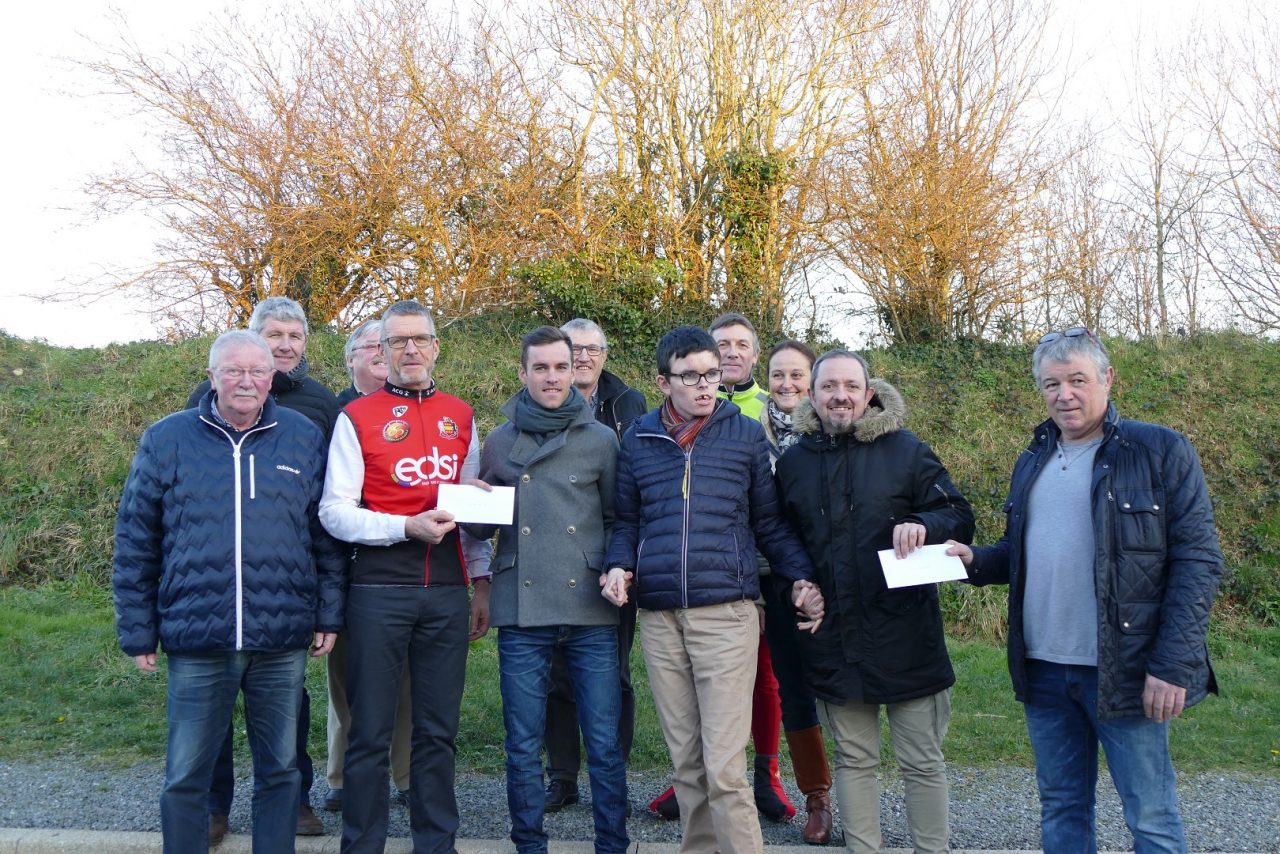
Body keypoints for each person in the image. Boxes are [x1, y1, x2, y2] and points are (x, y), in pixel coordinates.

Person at [947, 327, 1223, 854]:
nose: (1064, 394)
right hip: (1045, 670)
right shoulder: (1033, 458)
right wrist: (977, 561)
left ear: (1107, 378)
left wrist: (1171, 664)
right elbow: (1021, 549)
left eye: (1077, 379)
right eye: (1051, 384)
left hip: (1126, 669)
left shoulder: (1160, 450)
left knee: (1152, 817)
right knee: (1062, 808)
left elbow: (1199, 561)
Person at [113, 329, 345, 853]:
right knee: (186, 773)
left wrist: (328, 614)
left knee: (281, 770)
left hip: (280, 635)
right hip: (198, 635)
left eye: (257, 371)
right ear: (212, 375)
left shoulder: (302, 435)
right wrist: (138, 630)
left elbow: (324, 536)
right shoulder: (166, 438)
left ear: (272, 377)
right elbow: (135, 540)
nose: (246, 381)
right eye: (233, 370)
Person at [601, 325, 824, 854]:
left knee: (724, 769)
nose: (706, 385)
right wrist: (615, 565)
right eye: (691, 376)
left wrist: (801, 577)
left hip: (727, 614)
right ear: (663, 381)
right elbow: (626, 522)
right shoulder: (638, 438)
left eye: (712, 374)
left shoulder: (744, 435)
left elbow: (768, 523)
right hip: (660, 618)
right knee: (688, 767)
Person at [775, 349, 975, 854]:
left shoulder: (906, 450)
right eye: (828, 387)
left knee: (921, 760)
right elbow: (782, 540)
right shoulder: (794, 463)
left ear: (869, 394)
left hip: (907, 635)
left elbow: (956, 513)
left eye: (850, 386)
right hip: (836, 638)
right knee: (854, 759)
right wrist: (798, 581)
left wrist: (926, 524)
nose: (839, 395)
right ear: (813, 396)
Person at [318, 299, 492, 853]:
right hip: (377, 591)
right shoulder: (357, 416)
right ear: (382, 351)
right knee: (369, 732)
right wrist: (402, 528)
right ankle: (361, 845)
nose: (410, 349)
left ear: (437, 346)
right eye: (397, 341)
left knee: (437, 732)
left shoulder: (461, 414)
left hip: (445, 592)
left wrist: (480, 575)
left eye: (420, 339)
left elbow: (468, 515)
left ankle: (436, 844)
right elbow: (334, 511)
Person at [184, 295, 340, 841]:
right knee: (212, 710)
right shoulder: (211, 395)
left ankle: (294, 801)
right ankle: (213, 806)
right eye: (274, 335)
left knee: (287, 707)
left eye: (295, 337)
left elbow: (325, 505)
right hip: (216, 592)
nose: (285, 345)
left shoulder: (323, 403)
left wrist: (324, 598)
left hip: (284, 593)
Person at [468, 325, 629, 853]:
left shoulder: (602, 440)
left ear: (576, 369)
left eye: (561, 367)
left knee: (603, 742)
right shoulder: (499, 439)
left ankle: (612, 842)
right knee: (521, 743)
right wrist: (472, 503)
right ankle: (528, 845)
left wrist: (616, 568)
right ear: (523, 373)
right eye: (541, 368)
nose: (553, 377)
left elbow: (616, 520)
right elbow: (479, 530)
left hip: (589, 604)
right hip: (523, 604)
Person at [541, 318, 647, 814]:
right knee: (557, 673)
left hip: (614, 559)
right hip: (555, 558)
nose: (582, 358)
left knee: (616, 674)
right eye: (573, 350)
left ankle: (613, 775)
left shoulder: (631, 404)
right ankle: (561, 776)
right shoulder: (542, 402)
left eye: (592, 350)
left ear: (605, 355)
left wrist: (627, 559)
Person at [323, 319, 412, 813]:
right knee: (348, 682)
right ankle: (343, 778)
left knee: (406, 682)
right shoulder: (336, 414)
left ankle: (405, 774)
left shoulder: (427, 412)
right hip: (348, 566)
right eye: (370, 346)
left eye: (389, 343)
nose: (381, 351)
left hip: (410, 571)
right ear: (351, 359)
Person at [758, 339, 835, 845]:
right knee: (793, 688)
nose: (787, 385)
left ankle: (857, 794)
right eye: (778, 376)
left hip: (831, 579)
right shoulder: (747, 433)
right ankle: (817, 797)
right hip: (775, 581)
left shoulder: (833, 433)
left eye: (797, 376)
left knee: (845, 690)